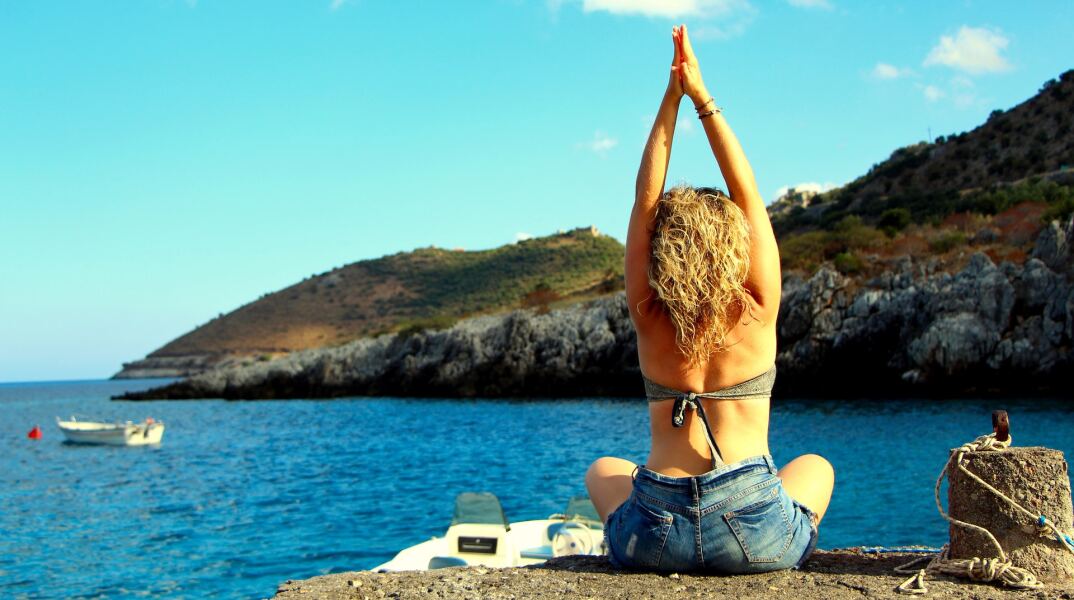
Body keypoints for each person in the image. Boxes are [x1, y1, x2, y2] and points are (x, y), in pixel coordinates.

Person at [584, 25, 834, 574]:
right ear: (734, 242)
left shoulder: (649, 313)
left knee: (602, 469)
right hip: (754, 530)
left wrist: (669, 99)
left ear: (663, 249)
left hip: (656, 533)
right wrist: (701, 98)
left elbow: (644, 201)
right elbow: (748, 192)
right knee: (817, 466)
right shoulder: (758, 306)